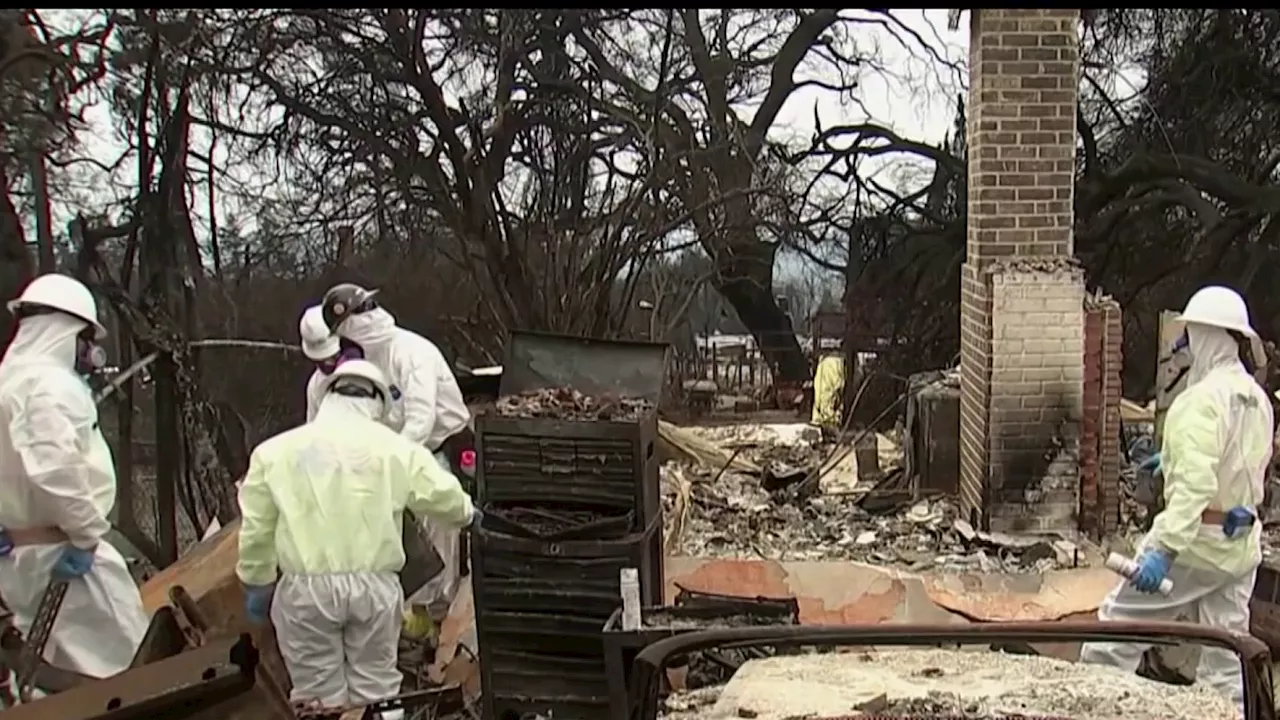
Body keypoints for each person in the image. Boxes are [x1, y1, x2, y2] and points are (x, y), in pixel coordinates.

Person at [236, 360, 480, 718]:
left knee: (318, 700)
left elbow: (256, 530)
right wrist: (470, 513)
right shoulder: (395, 449)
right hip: (375, 592)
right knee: (379, 693)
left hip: (305, 594)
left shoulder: (273, 453)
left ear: (324, 395)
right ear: (379, 403)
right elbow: (445, 497)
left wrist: (257, 582)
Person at [1080, 286, 1273, 713]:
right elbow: (1239, 464)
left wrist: (1162, 552)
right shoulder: (1256, 399)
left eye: (1187, 336)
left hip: (1193, 546)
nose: (1180, 346)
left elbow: (1195, 491)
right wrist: (1171, 459)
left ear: (1204, 335)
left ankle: (1090, 709)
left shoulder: (1198, 402)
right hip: (1239, 548)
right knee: (1227, 661)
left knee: (1114, 637)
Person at [0, 273, 149, 682]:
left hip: (19, 560)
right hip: (67, 556)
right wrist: (85, 535)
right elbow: (55, 467)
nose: (91, 354)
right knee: (133, 670)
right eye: (88, 342)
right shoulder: (48, 386)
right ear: (71, 332)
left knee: (52, 675)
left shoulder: (8, 381)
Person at [320, 283, 474, 623]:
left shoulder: (410, 352)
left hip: (444, 446)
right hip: (401, 453)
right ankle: (413, 607)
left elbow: (421, 418)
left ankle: (444, 609)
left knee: (441, 520)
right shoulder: (365, 360)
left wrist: (388, 463)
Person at [299, 305, 364, 422]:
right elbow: (313, 432)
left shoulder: (380, 361)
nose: (328, 363)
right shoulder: (316, 386)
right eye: (321, 360)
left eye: (334, 357)